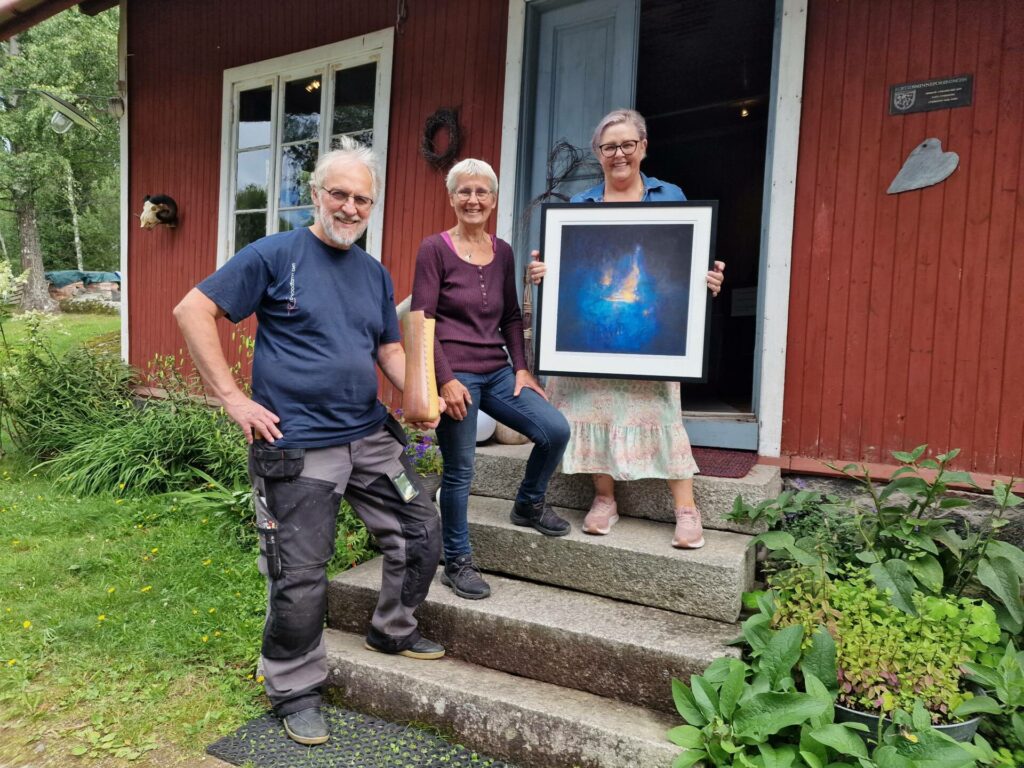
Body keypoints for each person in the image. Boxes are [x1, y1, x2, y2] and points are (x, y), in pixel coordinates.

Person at [173, 139, 445, 747]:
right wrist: (232, 399)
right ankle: (295, 687)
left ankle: (393, 628)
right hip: (297, 446)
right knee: (300, 574)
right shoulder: (274, 255)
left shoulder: (374, 272)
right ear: (315, 195)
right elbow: (193, 310)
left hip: (370, 435)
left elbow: (388, 347)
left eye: (362, 199)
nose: (350, 208)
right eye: (339, 194)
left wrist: (418, 395)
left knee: (421, 528)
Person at [543, 109, 725, 549]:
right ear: (598, 154)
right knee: (595, 409)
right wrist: (542, 275)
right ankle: (605, 499)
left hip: (650, 333)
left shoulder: (671, 196)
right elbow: (569, 274)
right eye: (609, 147)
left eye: (627, 144)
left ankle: (687, 510)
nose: (618, 154)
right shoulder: (581, 206)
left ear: (643, 147)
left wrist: (707, 281)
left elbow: (683, 266)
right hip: (595, 332)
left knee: (662, 412)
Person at [411, 158, 571, 600]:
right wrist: (444, 380)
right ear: (452, 198)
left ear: (494, 200)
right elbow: (422, 320)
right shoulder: (434, 249)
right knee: (461, 472)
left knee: (555, 430)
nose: (473, 199)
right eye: (464, 191)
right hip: (455, 372)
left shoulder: (502, 252)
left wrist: (521, 367)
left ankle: (528, 503)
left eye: (482, 192)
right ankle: (456, 561)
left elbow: (511, 317)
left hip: (498, 370)